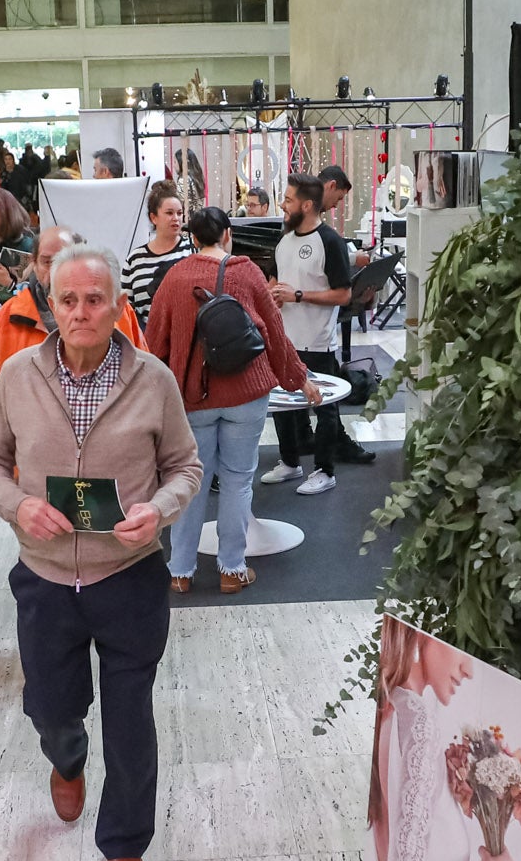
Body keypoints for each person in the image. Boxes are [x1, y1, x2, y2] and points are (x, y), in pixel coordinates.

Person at [0, 244, 202, 861]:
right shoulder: (19, 375)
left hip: (129, 575)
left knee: (130, 718)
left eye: (94, 300)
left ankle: (125, 842)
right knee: (51, 707)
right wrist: (21, 506)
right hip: (45, 578)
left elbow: (185, 467)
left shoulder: (153, 380)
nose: (80, 312)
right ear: (51, 305)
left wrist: (157, 512)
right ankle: (65, 758)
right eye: (68, 300)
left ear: (117, 307)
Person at [145, 204, 311, 594]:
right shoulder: (247, 272)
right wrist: (297, 378)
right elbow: (274, 331)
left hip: (193, 397)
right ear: (227, 234)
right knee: (238, 481)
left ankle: (180, 571)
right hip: (245, 395)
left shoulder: (175, 277)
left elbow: (155, 343)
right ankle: (232, 570)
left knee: (189, 482)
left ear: (192, 238)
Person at [264, 172, 365, 492]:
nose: (283, 204)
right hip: (285, 339)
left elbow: (344, 294)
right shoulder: (283, 240)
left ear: (307, 205)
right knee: (281, 404)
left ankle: (325, 469)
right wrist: (271, 297)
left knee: (325, 406)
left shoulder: (330, 242)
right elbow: (273, 281)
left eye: (289, 199)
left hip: (317, 341)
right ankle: (290, 462)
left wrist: (298, 296)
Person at [0, 221, 147, 395]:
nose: (55, 271)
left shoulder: (117, 311)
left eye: (64, 259)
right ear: (34, 263)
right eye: (47, 262)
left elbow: (144, 379)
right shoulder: (9, 317)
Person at [122, 183, 188, 319]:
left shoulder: (192, 250)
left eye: (179, 213)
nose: (176, 218)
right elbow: (127, 309)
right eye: (169, 213)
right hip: (146, 336)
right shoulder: (135, 259)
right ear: (154, 218)